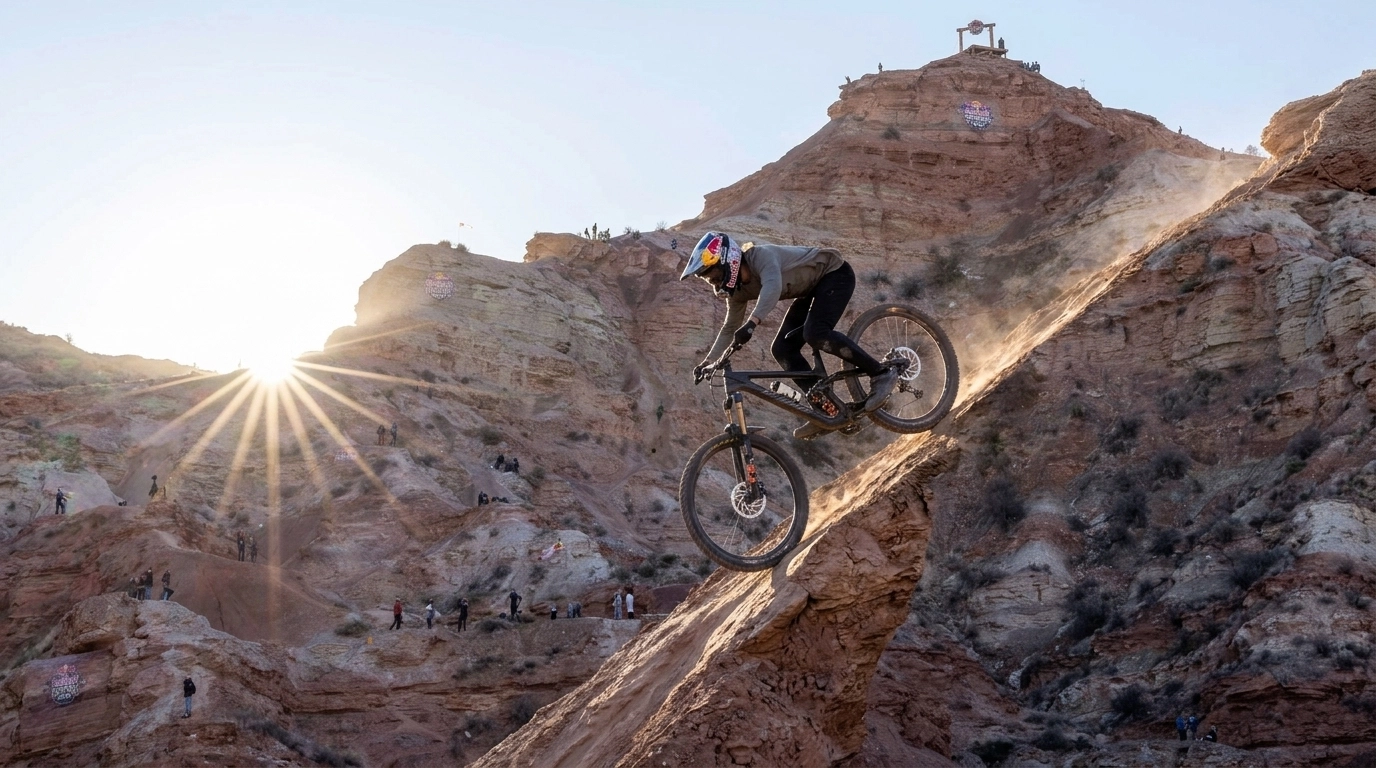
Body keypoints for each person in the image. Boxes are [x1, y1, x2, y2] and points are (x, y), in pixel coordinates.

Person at [681, 232, 898, 439]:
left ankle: (881, 373)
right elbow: (730, 328)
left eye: (713, 275)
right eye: (708, 280)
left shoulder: (761, 256)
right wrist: (708, 362)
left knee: (815, 333)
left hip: (834, 275)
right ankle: (825, 409)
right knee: (782, 349)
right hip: (810, 291)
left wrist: (752, 324)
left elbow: (772, 288)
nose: (714, 283)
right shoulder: (737, 292)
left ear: (728, 261)